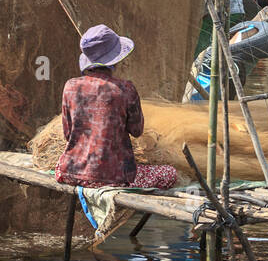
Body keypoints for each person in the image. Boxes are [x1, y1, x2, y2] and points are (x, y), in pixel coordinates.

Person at [55, 24, 177, 189]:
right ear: (114, 60)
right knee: (169, 173)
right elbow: (137, 130)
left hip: (69, 172)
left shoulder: (70, 86)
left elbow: (68, 134)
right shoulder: (125, 89)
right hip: (113, 178)